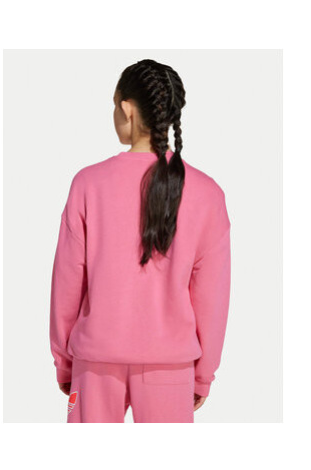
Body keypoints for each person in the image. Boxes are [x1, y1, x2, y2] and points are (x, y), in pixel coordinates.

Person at [49, 59, 231, 423]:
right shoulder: (207, 192)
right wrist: (203, 374)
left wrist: (64, 362)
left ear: (127, 109)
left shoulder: (88, 184)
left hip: (95, 362)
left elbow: (67, 282)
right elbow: (212, 296)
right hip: (171, 365)